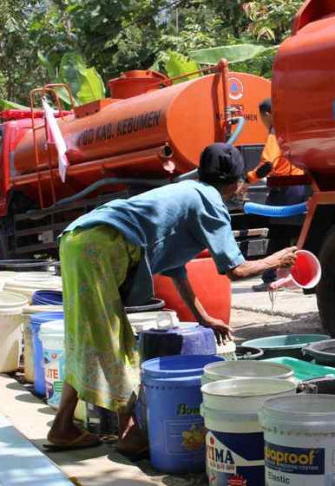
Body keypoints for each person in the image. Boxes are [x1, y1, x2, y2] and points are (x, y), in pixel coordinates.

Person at [45, 143, 297, 453]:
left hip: (79, 240)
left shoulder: (186, 190)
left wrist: (202, 316)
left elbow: (177, 271)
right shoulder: (210, 201)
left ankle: (63, 427)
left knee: (88, 336)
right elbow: (236, 270)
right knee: (112, 338)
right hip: (101, 247)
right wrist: (277, 259)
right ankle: (130, 433)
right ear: (234, 182)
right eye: (242, 181)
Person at [241, 98, 308, 291]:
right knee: (296, 233)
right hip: (300, 188)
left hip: (287, 192)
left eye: (262, 118)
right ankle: (299, 276)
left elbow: (268, 164)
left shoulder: (275, 134)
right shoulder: (292, 130)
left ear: (268, 114)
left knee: (279, 234)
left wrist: (247, 180)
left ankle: (270, 277)